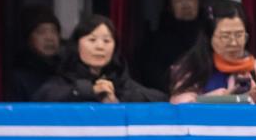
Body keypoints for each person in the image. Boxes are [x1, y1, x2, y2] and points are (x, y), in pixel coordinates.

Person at [170, 0, 256, 104]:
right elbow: (181, 104)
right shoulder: (193, 67)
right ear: (209, 37)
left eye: (239, 35)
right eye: (225, 36)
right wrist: (226, 98)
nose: (234, 43)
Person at [33, 14, 165, 103]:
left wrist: (118, 99)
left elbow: (160, 98)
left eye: (107, 41)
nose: (100, 47)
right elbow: (43, 96)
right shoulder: (64, 78)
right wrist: (90, 91)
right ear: (77, 45)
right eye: (92, 40)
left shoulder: (120, 78)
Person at [135, 0, 206, 95]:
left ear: (199, 1)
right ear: (169, 6)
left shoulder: (210, 37)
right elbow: (151, 78)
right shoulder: (154, 43)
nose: (186, 4)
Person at [8, 5, 63, 102]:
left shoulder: (66, 71)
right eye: (41, 32)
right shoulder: (18, 78)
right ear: (28, 39)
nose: (49, 38)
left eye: (54, 31)